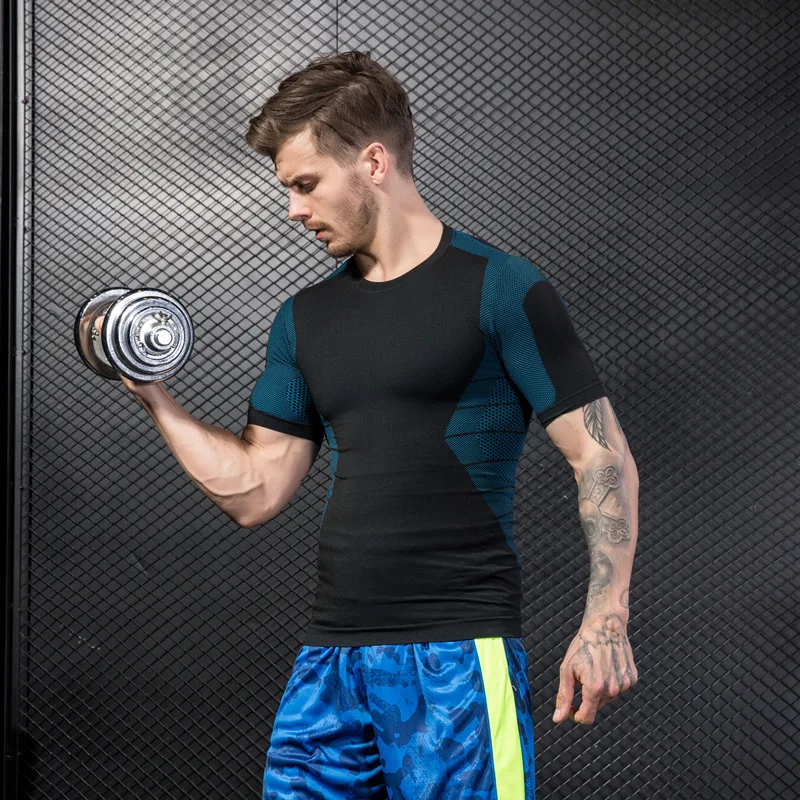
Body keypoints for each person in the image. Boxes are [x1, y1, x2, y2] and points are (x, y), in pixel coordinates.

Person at [107, 49, 639, 800]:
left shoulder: (501, 289)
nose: (293, 210)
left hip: (457, 653)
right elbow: (256, 490)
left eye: (305, 185)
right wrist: (154, 396)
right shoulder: (306, 317)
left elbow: (599, 455)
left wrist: (605, 620)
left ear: (374, 163)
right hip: (333, 658)